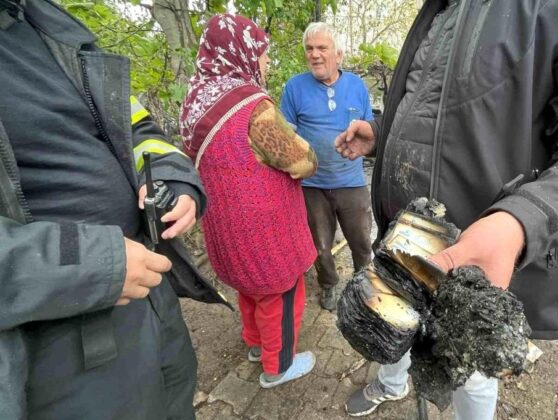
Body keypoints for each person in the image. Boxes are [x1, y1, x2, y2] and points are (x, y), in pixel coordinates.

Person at [335, 0, 558, 417]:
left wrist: (520, 221)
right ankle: (391, 383)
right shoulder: (442, 7)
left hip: (477, 256)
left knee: (471, 367)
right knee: (394, 321)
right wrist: (383, 133)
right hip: (403, 237)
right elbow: (433, 103)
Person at [0, 0, 230, 418]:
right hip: (54, 340)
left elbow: (137, 127)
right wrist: (91, 264)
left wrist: (174, 177)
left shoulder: (49, 26)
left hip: (150, 297)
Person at [180, 14, 319, 388]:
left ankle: (257, 344)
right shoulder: (252, 107)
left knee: (249, 289)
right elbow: (301, 162)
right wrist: (308, 149)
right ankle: (279, 365)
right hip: (264, 230)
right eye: (261, 53)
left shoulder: (195, 100)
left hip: (224, 226)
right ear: (240, 52)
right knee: (282, 292)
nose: (266, 61)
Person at [280, 22, 375, 311]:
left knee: (361, 242)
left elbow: (370, 129)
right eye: (310, 49)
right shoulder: (295, 87)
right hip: (311, 186)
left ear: (339, 54)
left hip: (352, 182)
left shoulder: (357, 86)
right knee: (320, 246)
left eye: (322, 48)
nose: (315, 54)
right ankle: (329, 285)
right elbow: (285, 136)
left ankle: (365, 283)